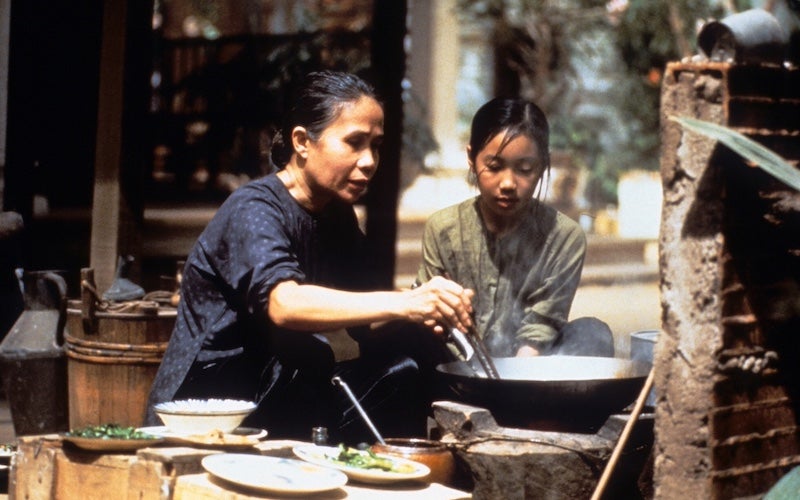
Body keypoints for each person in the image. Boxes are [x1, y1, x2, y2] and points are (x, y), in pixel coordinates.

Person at [145, 71, 474, 442]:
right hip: (211, 406)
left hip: (278, 393)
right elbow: (285, 304)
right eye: (354, 143)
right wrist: (407, 303)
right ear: (302, 142)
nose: (369, 161)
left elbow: (364, 315)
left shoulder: (336, 216)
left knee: (411, 353)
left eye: (376, 146)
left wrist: (428, 307)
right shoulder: (254, 207)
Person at [415, 97, 614, 359]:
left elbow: (542, 325)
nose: (508, 183)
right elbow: (430, 312)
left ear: (543, 165)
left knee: (592, 333)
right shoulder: (443, 229)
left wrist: (514, 387)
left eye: (525, 169)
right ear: (471, 158)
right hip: (456, 365)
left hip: (530, 371)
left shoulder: (564, 237)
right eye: (494, 167)